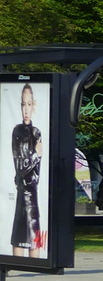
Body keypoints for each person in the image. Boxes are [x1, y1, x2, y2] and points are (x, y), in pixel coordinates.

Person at [10, 83, 43, 257]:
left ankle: (36, 269)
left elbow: (37, 171)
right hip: (23, 192)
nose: (26, 110)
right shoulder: (17, 131)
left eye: (29, 104)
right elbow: (20, 168)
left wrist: (35, 157)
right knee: (19, 237)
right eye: (23, 104)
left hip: (34, 193)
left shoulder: (37, 132)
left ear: (34, 105)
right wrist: (36, 155)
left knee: (35, 236)